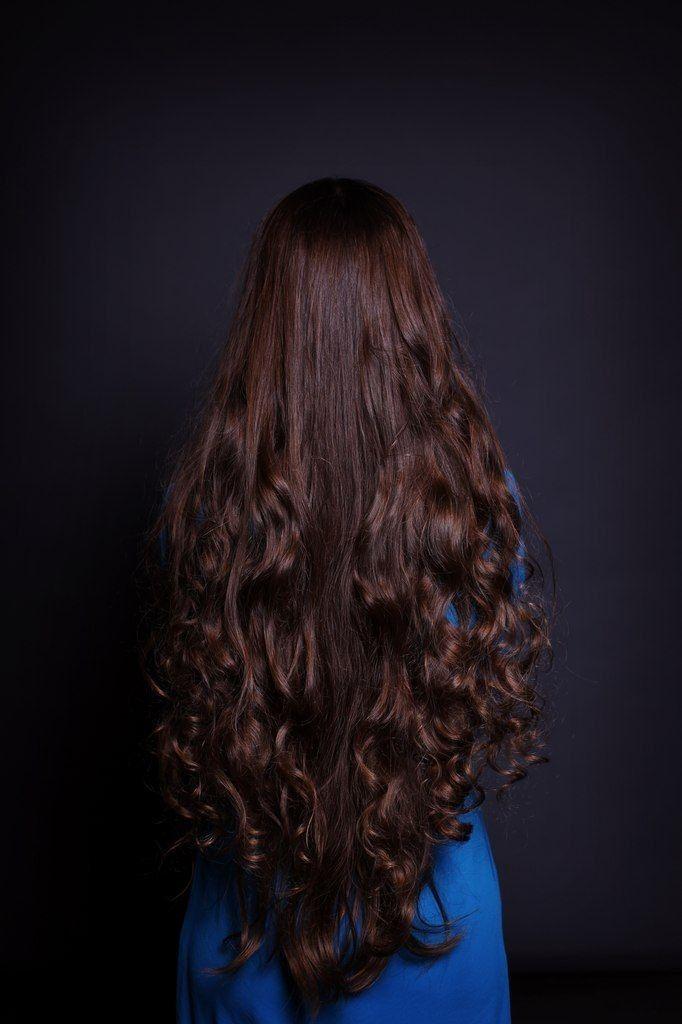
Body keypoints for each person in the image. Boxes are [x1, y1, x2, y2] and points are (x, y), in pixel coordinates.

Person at [148, 177, 551, 1023]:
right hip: (434, 933)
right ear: (411, 320)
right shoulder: (478, 513)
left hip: (245, 942)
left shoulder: (204, 519)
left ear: (266, 324)